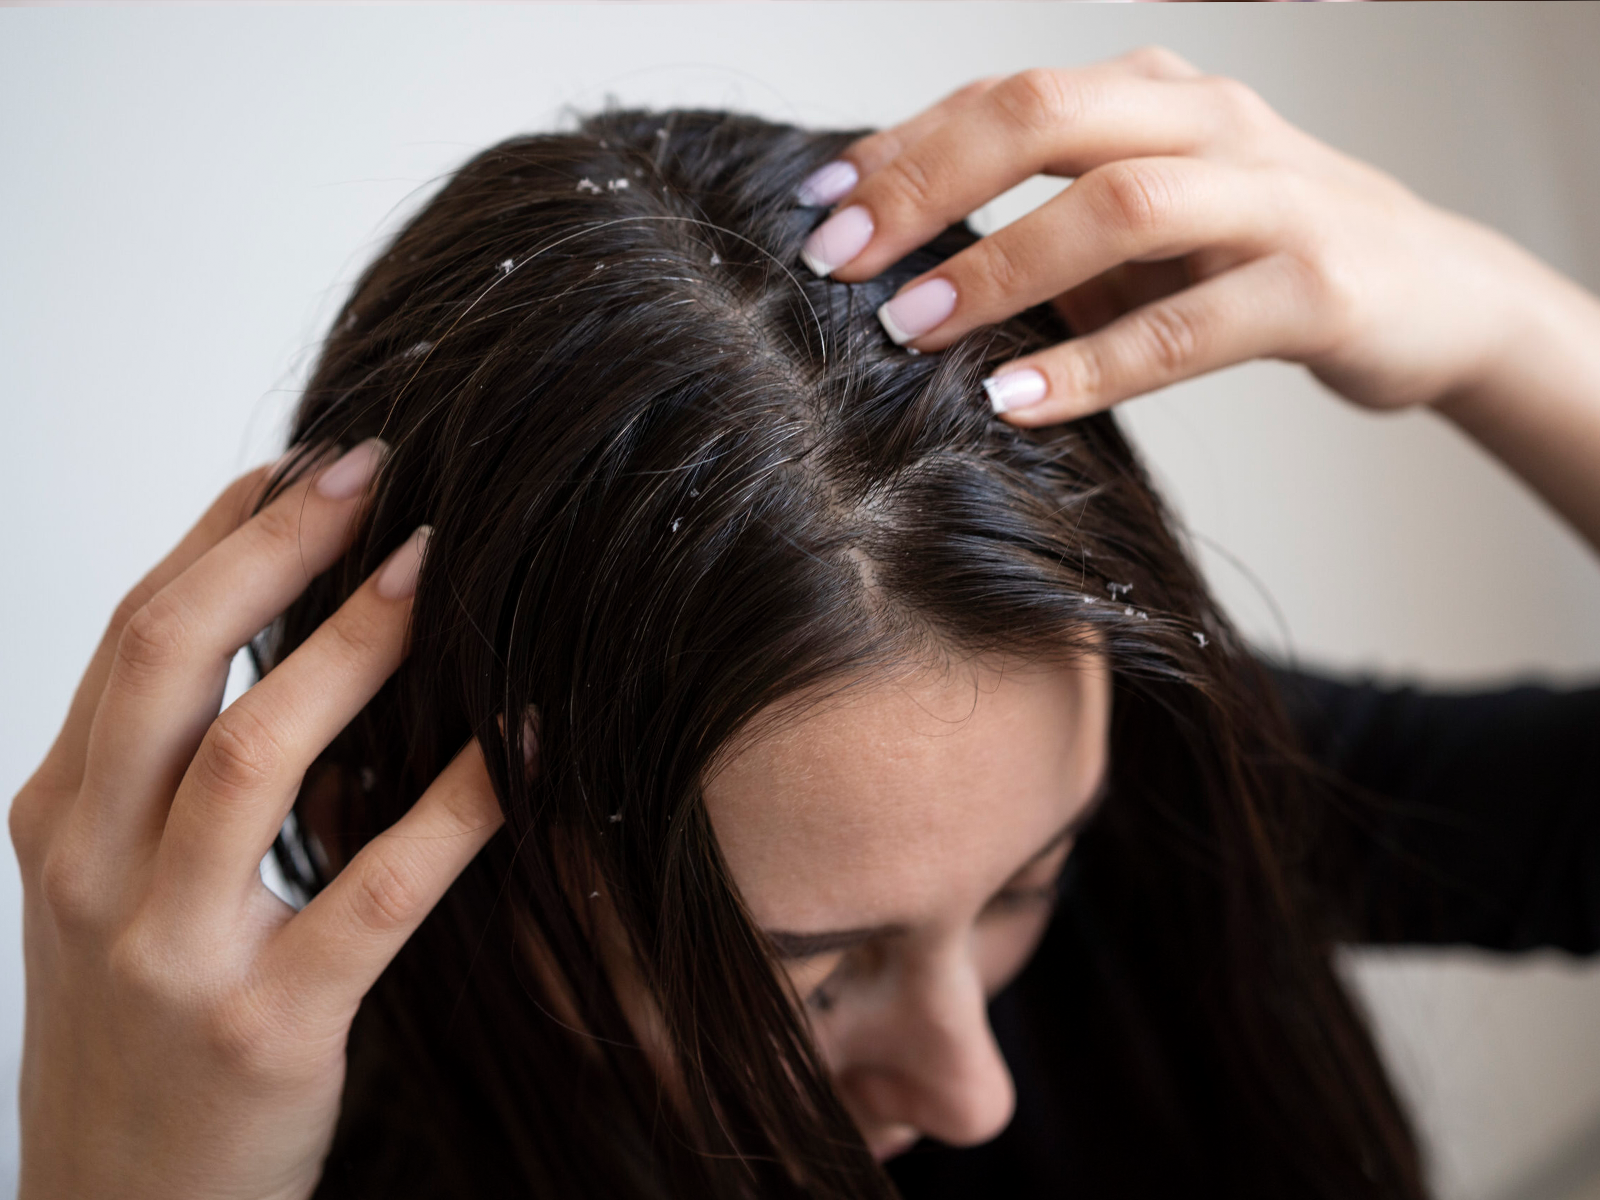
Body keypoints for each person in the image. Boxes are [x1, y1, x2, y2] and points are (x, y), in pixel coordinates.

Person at [11, 48, 1600, 1199]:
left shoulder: (1163, 803)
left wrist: (1510, 332)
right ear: (390, 824)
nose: (967, 1090)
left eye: (1028, 887)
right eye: (814, 973)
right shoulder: (274, 1159)